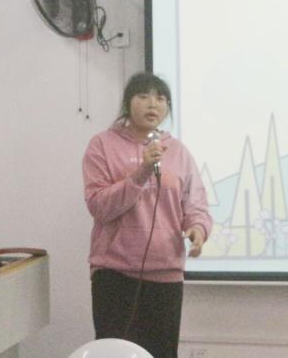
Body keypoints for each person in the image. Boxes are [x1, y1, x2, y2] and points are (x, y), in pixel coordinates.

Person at [82, 73, 212, 358]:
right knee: (113, 354)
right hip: (114, 275)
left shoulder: (178, 151)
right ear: (128, 103)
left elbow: (195, 203)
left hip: (166, 275)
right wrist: (141, 173)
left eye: (161, 99)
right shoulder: (102, 145)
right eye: (143, 96)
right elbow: (98, 205)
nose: (153, 104)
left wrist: (197, 228)